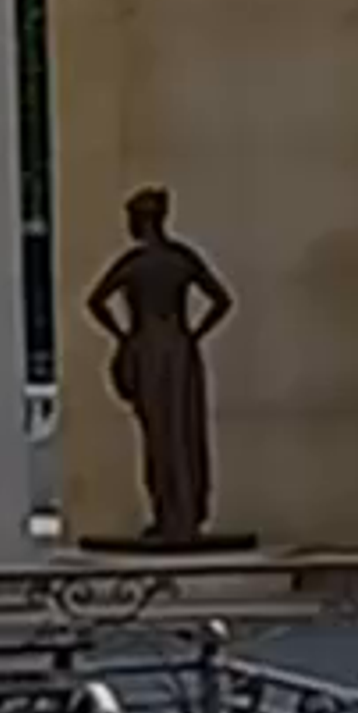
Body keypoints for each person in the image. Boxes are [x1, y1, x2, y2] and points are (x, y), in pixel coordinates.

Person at [87, 186, 234, 551]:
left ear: (140, 221)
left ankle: (170, 514)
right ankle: (185, 513)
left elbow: (96, 301)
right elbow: (221, 300)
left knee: (160, 435)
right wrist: (194, 334)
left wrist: (123, 336)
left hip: (148, 350)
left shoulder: (134, 263)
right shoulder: (181, 258)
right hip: (180, 348)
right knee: (183, 430)